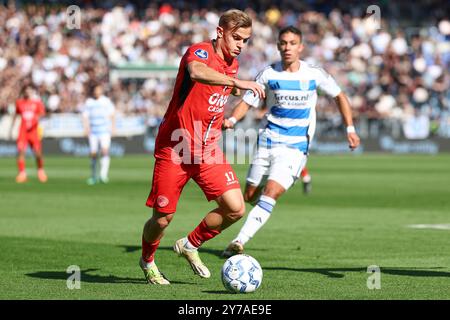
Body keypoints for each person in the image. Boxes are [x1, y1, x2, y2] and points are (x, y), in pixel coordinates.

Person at [139, 9, 265, 285]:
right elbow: (197, 73)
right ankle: (147, 260)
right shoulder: (199, 52)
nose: (241, 45)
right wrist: (237, 83)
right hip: (176, 147)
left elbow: (218, 94)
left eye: (246, 40)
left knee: (235, 208)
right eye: (237, 38)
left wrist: (226, 115)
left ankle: (190, 244)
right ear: (220, 32)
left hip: (207, 148)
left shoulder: (231, 63)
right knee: (162, 219)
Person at [221, 26, 360, 257]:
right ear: (277, 46)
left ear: (300, 47)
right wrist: (233, 119)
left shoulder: (314, 74)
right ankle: (252, 216)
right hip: (266, 142)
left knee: (271, 192)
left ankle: (238, 241)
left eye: (292, 43)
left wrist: (350, 128)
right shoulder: (268, 74)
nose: (287, 47)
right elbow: (248, 100)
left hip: (295, 147)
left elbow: (340, 96)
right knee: (248, 197)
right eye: (283, 43)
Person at [9, 85, 47, 183]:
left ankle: (40, 171)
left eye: (29, 91)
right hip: (23, 131)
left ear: (32, 92)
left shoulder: (37, 103)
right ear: (23, 92)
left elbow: (42, 114)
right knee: (21, 151)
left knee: (38, 153)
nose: (27, 92)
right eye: (25, 91)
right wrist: (11, 128)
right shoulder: (19, 103)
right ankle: (22, 174)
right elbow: (16, 115)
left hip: (34, 132)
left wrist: (36, 120)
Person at [82, 83, 116, 185]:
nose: (97, 92)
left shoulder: (106, 101)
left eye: (98, 90)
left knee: (105, 151)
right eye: (95, 90)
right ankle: (93, 176)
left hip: (104, 130)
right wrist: (86, 128)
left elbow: (112, 114)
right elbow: (85, 116)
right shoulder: (89, 102)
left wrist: (113, 127)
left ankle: (103, 175)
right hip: (93, 131)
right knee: (93, 154)